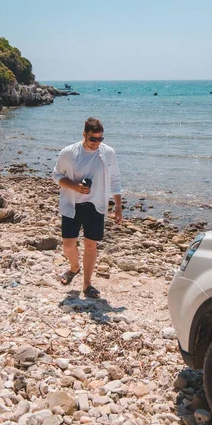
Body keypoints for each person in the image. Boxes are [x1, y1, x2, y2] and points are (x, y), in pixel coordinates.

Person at [52, 117, 122, 298]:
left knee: (91, 246)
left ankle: (87, 284)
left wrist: (118, 207)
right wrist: (75, 187)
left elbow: (115, 179)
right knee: (68, 246)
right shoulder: (69, 152)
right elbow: (56, 175)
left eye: (100, 139)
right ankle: (74, 267)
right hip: (72, 204)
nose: (96, 143)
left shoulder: (108, 153)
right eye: (93, 139)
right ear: (84, 135)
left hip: (96, 205)